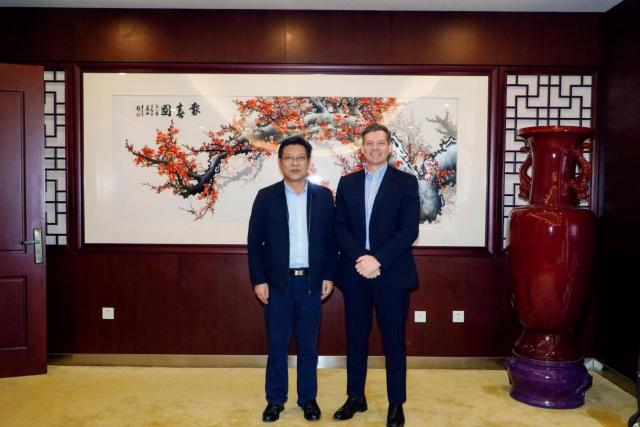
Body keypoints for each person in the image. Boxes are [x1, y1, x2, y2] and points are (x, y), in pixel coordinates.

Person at [333, 123, 420, 427]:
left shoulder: (405, 182)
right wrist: (362, 258)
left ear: (389, 147)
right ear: (362, 148)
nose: (374, 148)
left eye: (380, 143)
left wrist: (378, 259)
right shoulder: (348, 183)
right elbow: (339, 227)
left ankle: (396, 403)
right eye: (369, 143)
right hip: (356, 271)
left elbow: (409, 230)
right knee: (355, 338)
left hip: (391, 272)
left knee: (393, 341)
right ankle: (355, 397)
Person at [248, 135, 337, 423]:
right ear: (280, 162)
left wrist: (329, 275)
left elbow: (332, 241)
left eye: (300, 157)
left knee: (308, 346)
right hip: (277, 284)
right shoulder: (266, 196)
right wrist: (258, 280)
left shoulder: (323, 197)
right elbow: (254, 243)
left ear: (308, 162)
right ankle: (275, 400)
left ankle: (308, 399)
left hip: (311, 283)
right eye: (289, 158)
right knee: (277, 344)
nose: (295, 163)